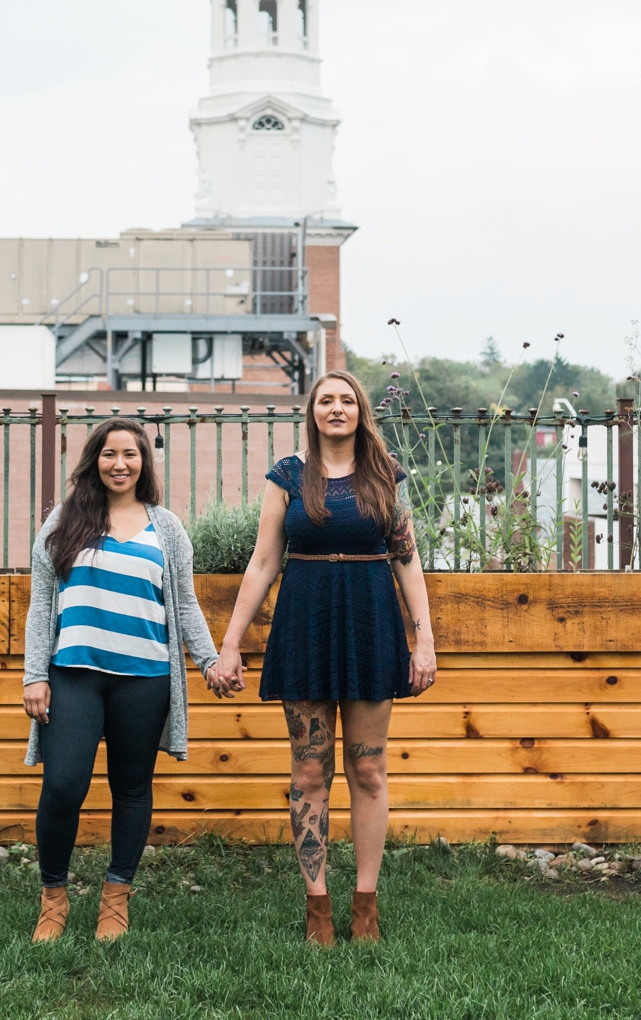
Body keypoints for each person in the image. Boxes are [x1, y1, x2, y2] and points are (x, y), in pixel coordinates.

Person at [210, 370, 438, 946]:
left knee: (368, 769)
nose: (336, 408)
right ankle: (318, 909)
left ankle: (365, 906)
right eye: (325, 401)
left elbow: (406, 560)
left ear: (361, 411)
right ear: (312, 413)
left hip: (371, 628)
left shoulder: (387, 477)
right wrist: (231, 643)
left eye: (347, 400)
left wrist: (424, 640)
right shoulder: (287, 477)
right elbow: (264, 564)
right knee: (310, 771)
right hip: (305, 628)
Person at [22, 417, 225, 942]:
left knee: (131, 788)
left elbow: (184, 604)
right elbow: (41, 600)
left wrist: (209, 661)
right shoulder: (65, 520)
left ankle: (116, 898)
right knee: (63, 785)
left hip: (146, 678)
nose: (120, 464)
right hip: (74, 675)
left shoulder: (167, 527)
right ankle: (53, 897)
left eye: (130, 455)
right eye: (110, 454)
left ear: (144, 463)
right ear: (95, 460)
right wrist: (33, 676)